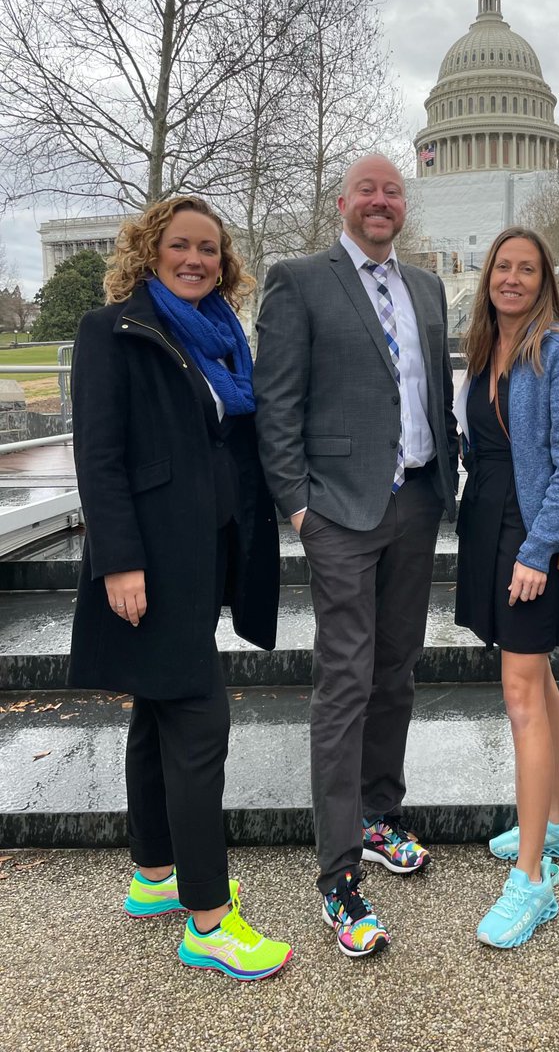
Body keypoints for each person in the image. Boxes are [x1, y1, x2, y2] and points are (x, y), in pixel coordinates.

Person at [69, 196, 291, 981]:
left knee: (157, 711)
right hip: (154, 562)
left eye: (209, 249)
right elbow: (98, 457)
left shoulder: (223, 338)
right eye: (180, 246)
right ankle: (207, 921)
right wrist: (119, 562)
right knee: (200, 727)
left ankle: (155, 874)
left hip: (210, 551)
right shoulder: (114, 331)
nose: (195, 258)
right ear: (149, 249)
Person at [254, 154, 457, 958]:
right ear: (343, 203)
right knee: (344, 680)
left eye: (392, 191)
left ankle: (378, 816)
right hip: (336, 511)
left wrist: (445, 480)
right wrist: (299, 507)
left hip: (415, 502)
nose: (381, 201)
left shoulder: (428, 287)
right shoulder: (299, 279)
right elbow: (278, 403)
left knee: (396, 670)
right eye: (367, 190)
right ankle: (338, 878)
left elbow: (433, 389)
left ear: (405, 204)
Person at [453, 226, 559, 949]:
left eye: (527, 269)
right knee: (534, 681)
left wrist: (537, 551)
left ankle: (533, 881)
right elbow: (478, 445)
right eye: (503, 267)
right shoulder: (485, 350)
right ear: (488, 278)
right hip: (487, 523)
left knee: (518, 694)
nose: (513, 278)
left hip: (530, 532)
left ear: (545, 281)